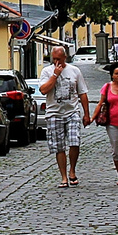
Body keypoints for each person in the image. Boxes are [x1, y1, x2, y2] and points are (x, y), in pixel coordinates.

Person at [39, 45, 90, 188]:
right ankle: (64, 176)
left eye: (59, 59)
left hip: (72, 111)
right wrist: (55, 75)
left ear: (65, 58)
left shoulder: (74, 71)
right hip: (54, 113)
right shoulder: (46, 71)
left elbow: (82, 93)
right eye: (53, 59)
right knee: (59, 147)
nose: (56, 62)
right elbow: (43, 90)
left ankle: (72, 170)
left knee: (75, 142)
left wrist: (87, 114)